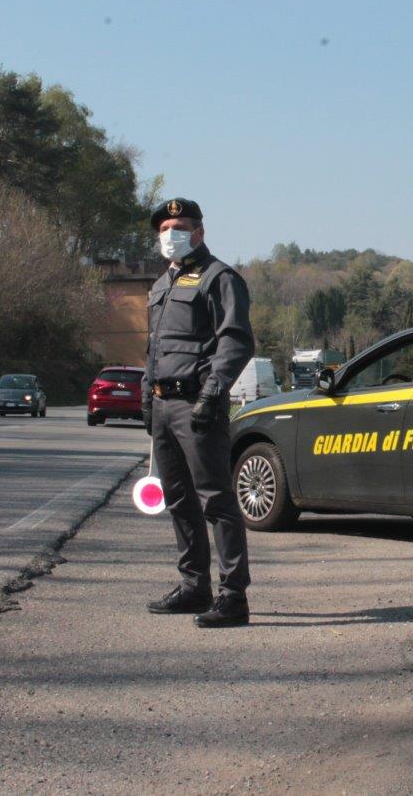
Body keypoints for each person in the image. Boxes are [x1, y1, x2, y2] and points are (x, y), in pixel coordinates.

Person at [142, 197, 256, 628]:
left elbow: (237, 342)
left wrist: (212, 394)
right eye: (165, 227)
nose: (171, 234)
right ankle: (194, 586)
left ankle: (232, 596)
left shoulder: (219, 278)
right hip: (163, 405)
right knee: (178, 500)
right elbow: (154, 347)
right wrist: (145, 395)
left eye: (181, 226)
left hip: (197, 404)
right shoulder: (160, 285)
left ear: (199, 232)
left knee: (216, 499)